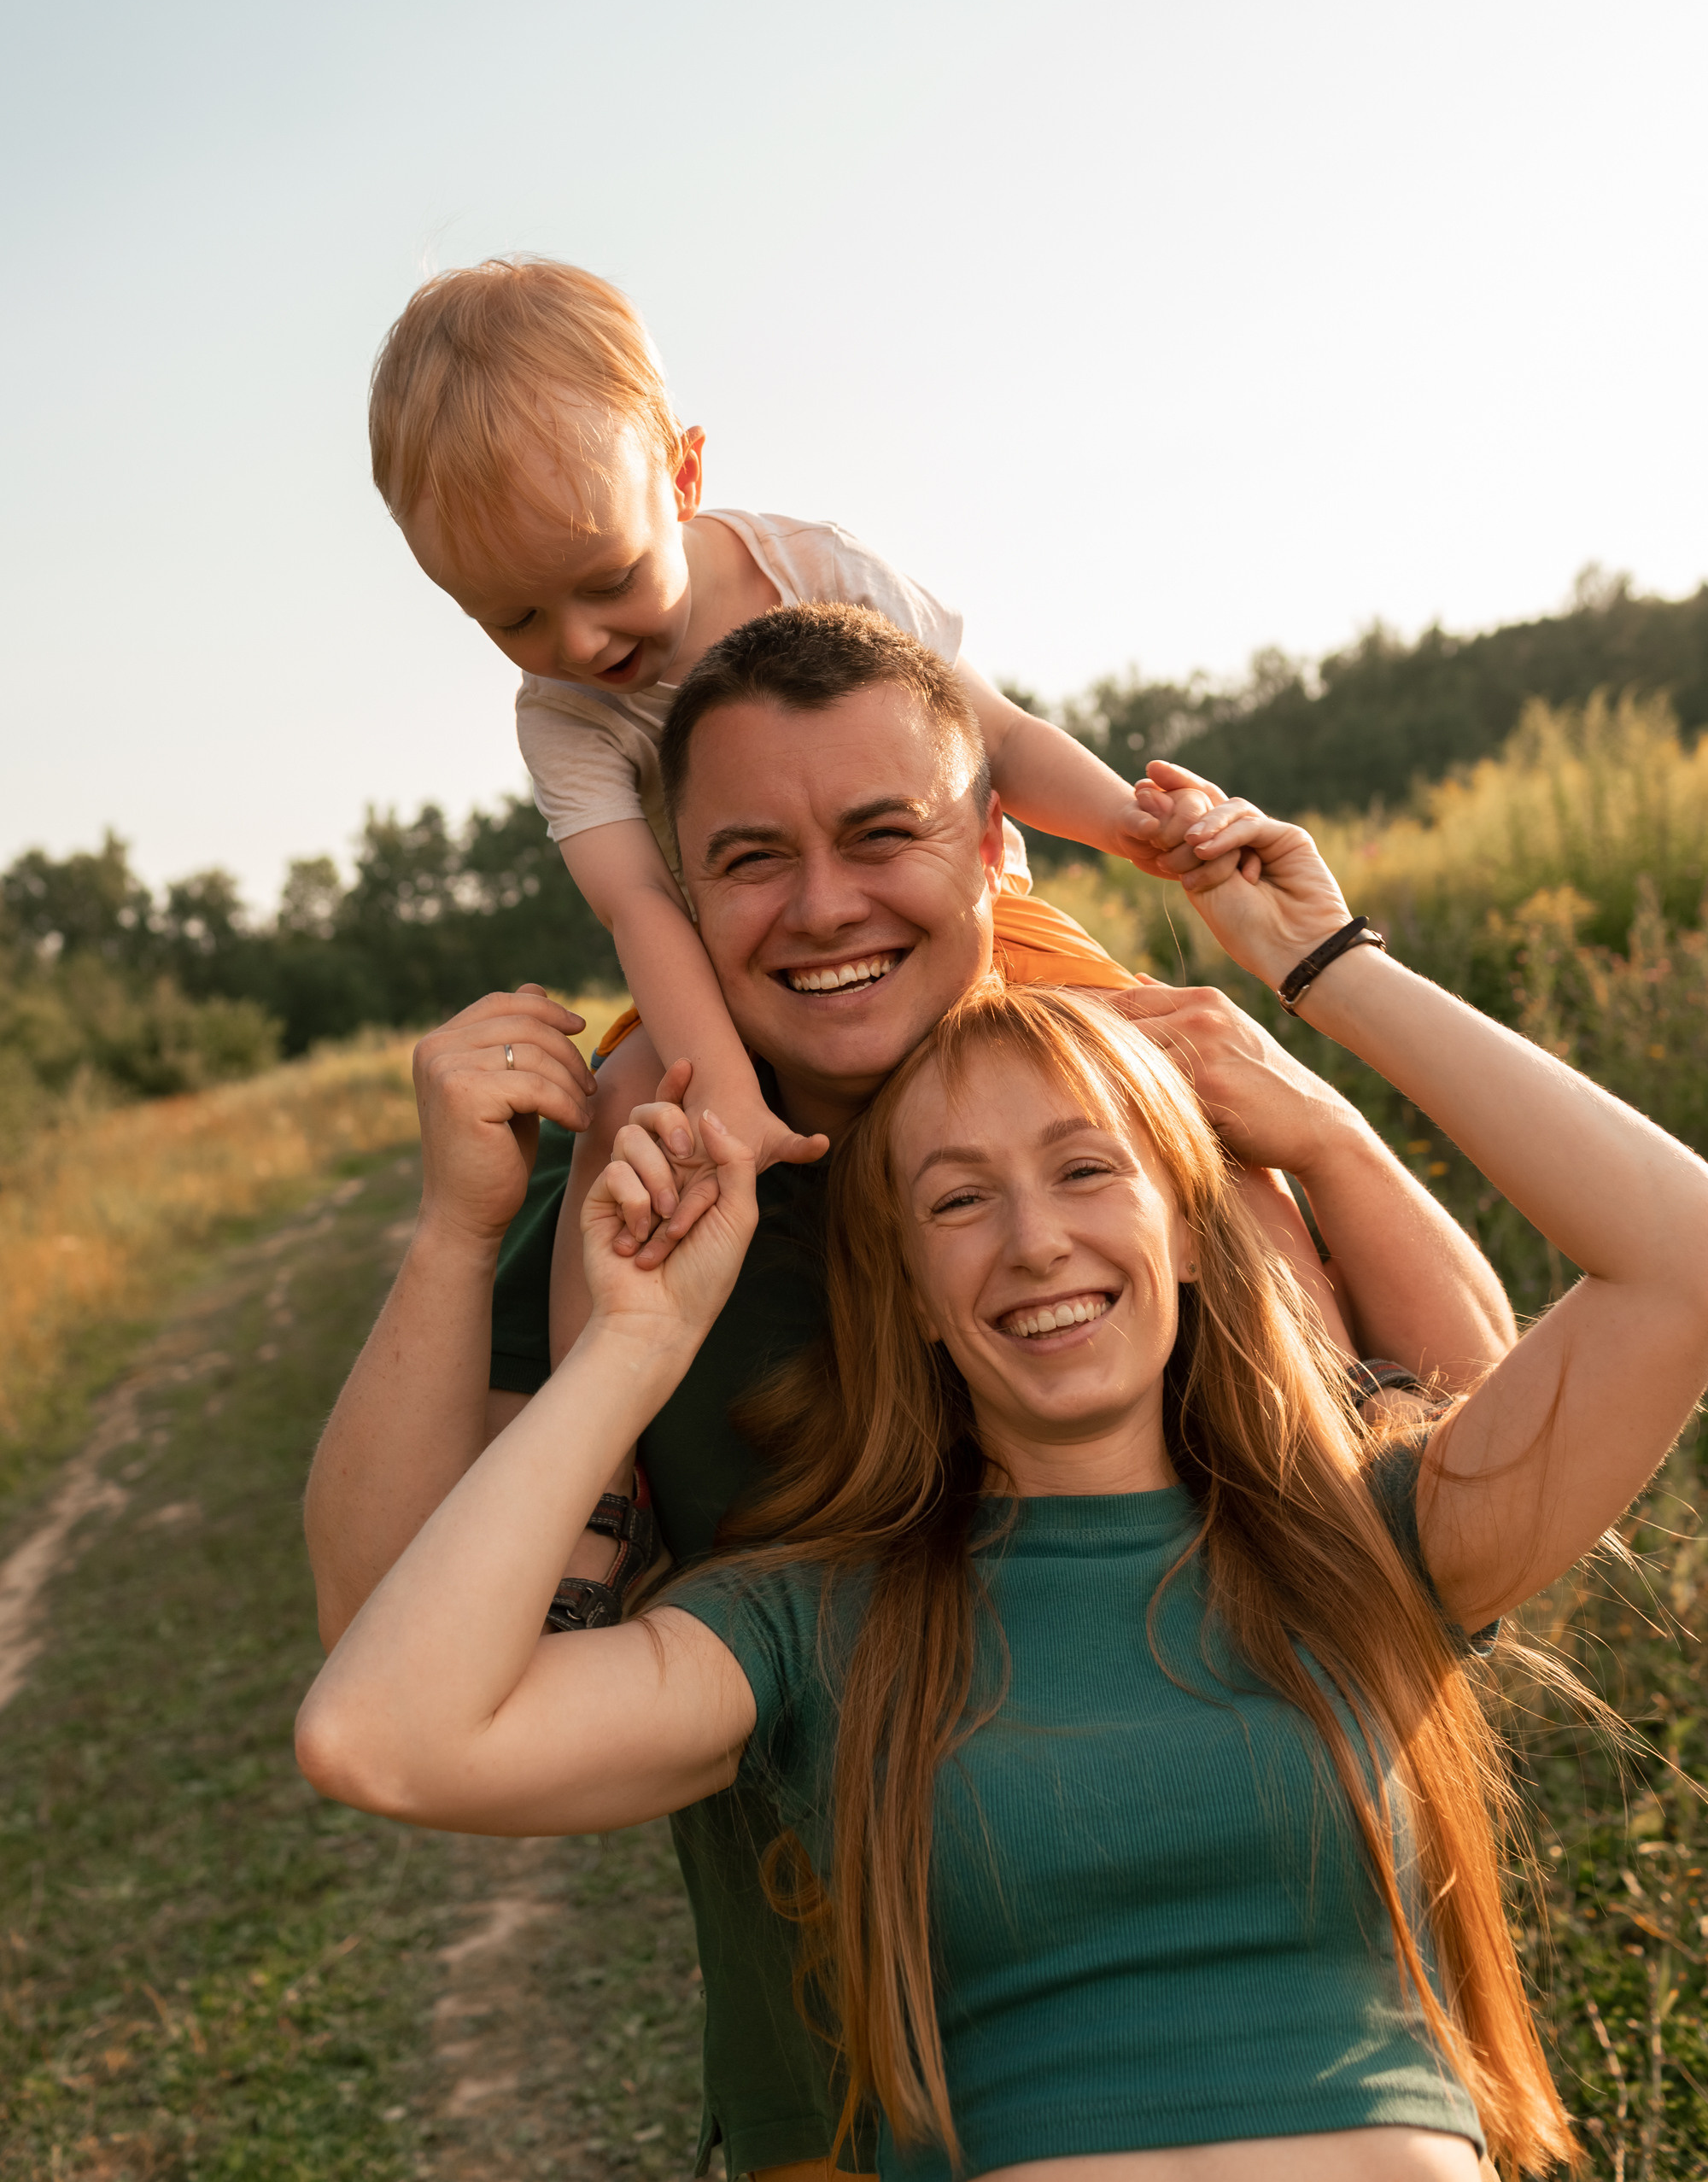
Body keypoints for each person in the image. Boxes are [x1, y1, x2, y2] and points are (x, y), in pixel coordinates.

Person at [297, 784, 1708, 2179]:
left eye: (1087, 1170)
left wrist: (1327, 971)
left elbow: (1681, 1259)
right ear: (909, 1291)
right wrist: (637, 1341)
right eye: (960, 1200)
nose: (1034, 1242)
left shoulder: (1370, 1547)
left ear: (1193, 1230)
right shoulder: (821, 1628)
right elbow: (383, 1736)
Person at [366, 257, 1214, 1203]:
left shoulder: (817, 569)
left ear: (681, 476)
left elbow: (999, 741)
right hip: (725, 982)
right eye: (510, 620)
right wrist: (721, 1083)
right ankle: (609, 1349)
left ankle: (1321, 1328)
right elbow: (641, 905)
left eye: (608, 582)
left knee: (1172, 1064)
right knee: (620, 1124)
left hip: (955, 926)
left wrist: (1131, 826)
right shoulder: (564, 716)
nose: (575, 640)